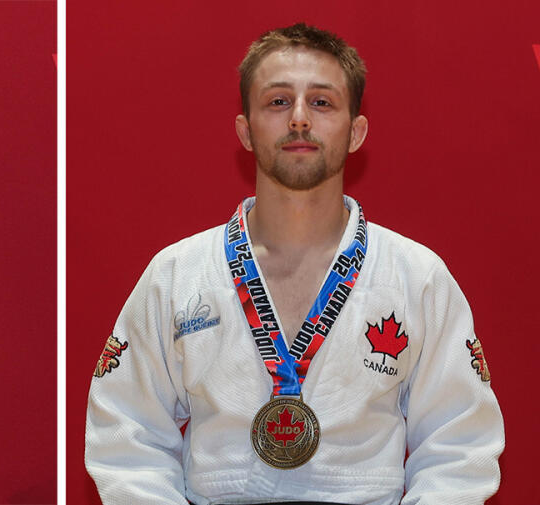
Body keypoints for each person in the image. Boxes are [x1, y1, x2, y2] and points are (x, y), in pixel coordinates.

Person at [84, 23, 503, 504]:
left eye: (322, 103)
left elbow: (460, 446)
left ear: (355, 131)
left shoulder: (417, 277)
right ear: (245, 129)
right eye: (278, 102)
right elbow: (126, 440)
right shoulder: (176, 275)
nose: (300, 119)